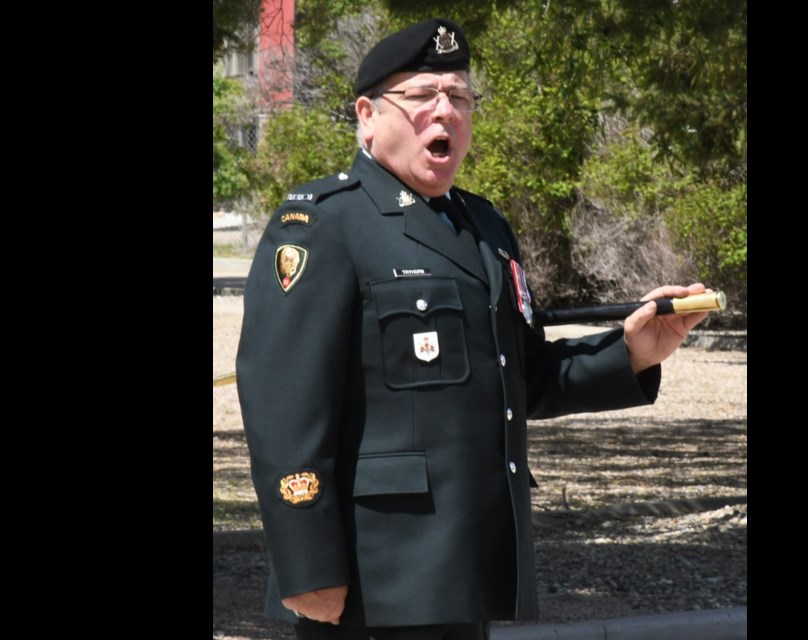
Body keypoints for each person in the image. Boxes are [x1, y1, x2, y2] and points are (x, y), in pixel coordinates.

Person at [235, 17, 708, 640]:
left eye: (459, 97)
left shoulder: (483, 229)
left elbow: (524, 376)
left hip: (467, 567)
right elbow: (284, 406)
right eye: (423, 95)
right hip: (373, 580)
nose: (445, 111)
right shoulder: (323, 225)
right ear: (368, 114)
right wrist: (306, 565)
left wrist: (632, 352)